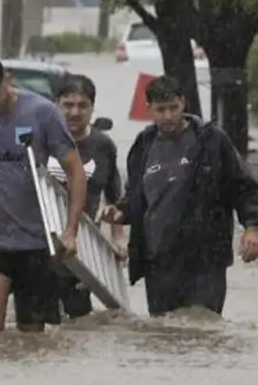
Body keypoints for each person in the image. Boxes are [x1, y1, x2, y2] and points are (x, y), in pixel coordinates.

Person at [0, 54, 88, 332]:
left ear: (7, 80)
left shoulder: (43, 113)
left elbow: (75, 171)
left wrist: (71, 230)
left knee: (32, 340)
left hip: (36, 242)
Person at [101, 75, 258, 317]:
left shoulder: (211, 141)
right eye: (160, 109)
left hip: (205, 261)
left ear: (183, 103)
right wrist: (119, 212)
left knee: (203, 327)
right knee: (163, 334)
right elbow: (136, 199)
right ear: (148, 109)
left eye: (173, 108)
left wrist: (252, 227)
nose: (167, 116)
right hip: (158, 262)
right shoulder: (144, 145)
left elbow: (244, 187)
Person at [48, 73, 126, 319]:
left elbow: (114, 198)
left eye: (83, 106)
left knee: (79, 324)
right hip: (37, 246)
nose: (75, 112)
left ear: (93, 108)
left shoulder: (103, 146)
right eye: (68, 105)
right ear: (56, 105)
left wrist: (118, 239)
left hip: (81, 252)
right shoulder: (41, 141)